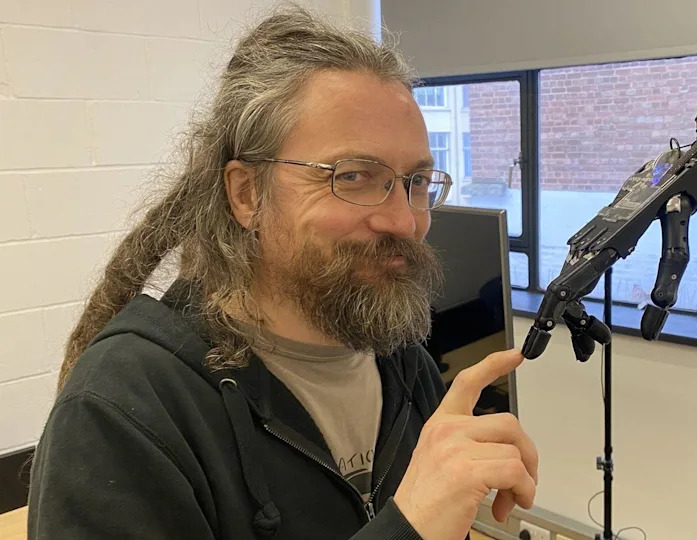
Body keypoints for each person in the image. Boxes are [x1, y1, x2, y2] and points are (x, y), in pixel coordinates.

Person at [26, 6, 538, 540]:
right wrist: (408, 529)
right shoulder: (125, 411)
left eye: (416, 180)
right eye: (354, 175)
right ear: (247, 194)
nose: (405, 220)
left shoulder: (402, 359)